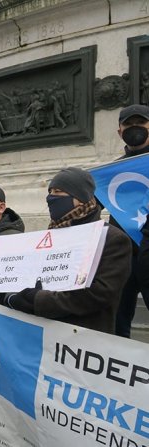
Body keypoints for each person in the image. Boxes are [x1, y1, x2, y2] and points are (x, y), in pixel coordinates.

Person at [4, 167, 132, 334]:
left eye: (58, 192)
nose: (50, 198)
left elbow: (100, 293)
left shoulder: (112, 238)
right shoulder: (49, 237)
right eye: (50, 191)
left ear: (80, 199)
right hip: (45, 333)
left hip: (84, 337)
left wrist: (38, 300)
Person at [112, 104, 149, 338]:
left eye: (141, 123)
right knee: (116, 319)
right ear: (119, 131)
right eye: (129, 124)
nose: (134, 128)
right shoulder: (111, 171)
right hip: (122, 254)